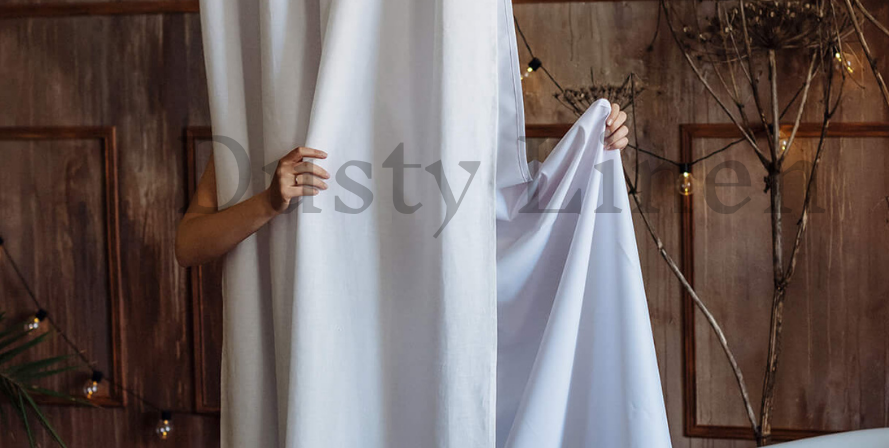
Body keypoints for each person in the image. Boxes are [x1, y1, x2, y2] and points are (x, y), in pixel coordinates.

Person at [175, 104, 629, 268]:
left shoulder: (421, 95)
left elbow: (498, 210)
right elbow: (188, 245)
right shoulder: (263, 105)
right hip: (295, 348)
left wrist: (589, 154)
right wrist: (268, 203)